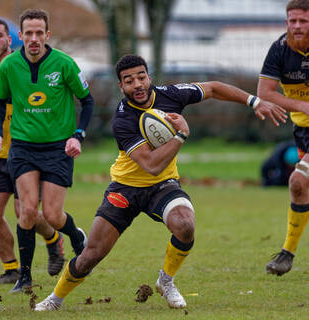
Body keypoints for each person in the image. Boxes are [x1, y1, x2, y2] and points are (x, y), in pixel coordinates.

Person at [34, 54, 286, 311]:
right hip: (125, 188)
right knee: (91, 255)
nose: (138, 85)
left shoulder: (171, 94)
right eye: (129, 81)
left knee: (185, 225)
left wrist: (253, 101)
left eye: (141, 77)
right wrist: (180, 135)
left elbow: (213, 88)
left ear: (149, 77)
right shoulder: (123, 119)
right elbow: (152, 165)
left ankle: (166, 281)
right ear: (121, 87)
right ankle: (55, 298)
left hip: (163, 186)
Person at [0, 9, 93, 292]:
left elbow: (88, 101)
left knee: (52, 216)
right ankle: (24, 277)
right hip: (22, 148)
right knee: (26, 212)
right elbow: (0, 103)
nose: (34, 39)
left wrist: (78, 136)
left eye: (39, 33)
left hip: (58, 149)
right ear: (20, 36)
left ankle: (73, 234)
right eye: (28, 33)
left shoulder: (64, 63)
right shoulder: (9, 65)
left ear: (47, 35)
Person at [0, 17, 65, 285]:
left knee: (28, 212)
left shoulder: (21, 66)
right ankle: (11, 269)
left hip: (26, 151)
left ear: (11, 39)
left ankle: (53, 238)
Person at [257, 0, 309, 276]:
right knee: (300, 188)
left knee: (298, 180)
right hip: (302, 131)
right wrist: (301, 106)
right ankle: (288, 252)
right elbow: (264, 92)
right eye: (292, 21)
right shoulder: (280, 49)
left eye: (303, 21)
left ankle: (286, 254)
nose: (297, 26)